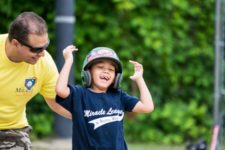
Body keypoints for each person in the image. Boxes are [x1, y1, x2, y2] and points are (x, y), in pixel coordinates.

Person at [56, 45, 154, 150]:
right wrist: (68, 61)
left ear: (116, 78)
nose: (106, 71)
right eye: (100, 67)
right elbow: (60, 90)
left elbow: (147, 107)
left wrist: (139, 79)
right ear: (88, 72)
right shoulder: (79, 94)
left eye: (111, 69)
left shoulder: (119, 96)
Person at [0, 12, 71, 150]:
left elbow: (57, 101)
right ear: (16, 43)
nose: (42, 53)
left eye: (45, 46)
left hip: (12, 130)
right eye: (36, 49)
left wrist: (87, 115)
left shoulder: (44, 63)